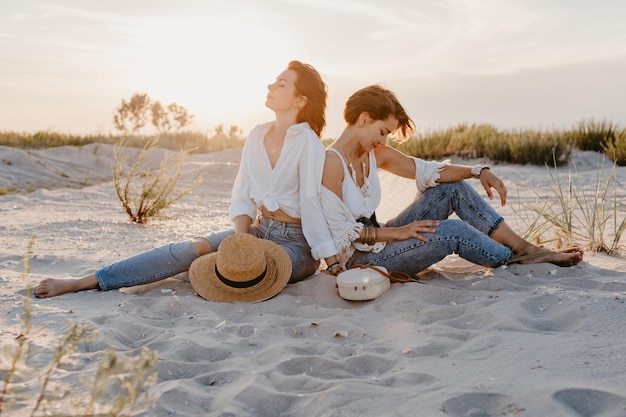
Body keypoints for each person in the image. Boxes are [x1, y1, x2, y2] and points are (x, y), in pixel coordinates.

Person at [35, 60, 338, 299]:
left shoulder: (309, 143)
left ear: (300, 100)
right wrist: (240, 237)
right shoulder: (256, 135)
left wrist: (331, 259)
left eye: (281, 84)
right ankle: (87, 281)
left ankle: (188, 271)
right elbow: (242, 193)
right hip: (258, 229)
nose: (271, 85)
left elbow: (311, 203)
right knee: (193, 248)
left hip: (296, 246)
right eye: (274, 80)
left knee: (249, 266)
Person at [319, 85, 583, 278]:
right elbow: (339, 233)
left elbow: (428, 171)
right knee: (453, 231)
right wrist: (399, 232)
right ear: (364, 118)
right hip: (360, 260)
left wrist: (478, 171)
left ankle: (525, 247)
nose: (383, 140)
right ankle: (511, 258)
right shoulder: (332, 162)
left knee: (450, 189)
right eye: (383, 131)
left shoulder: (374, 154)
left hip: (382, 238)